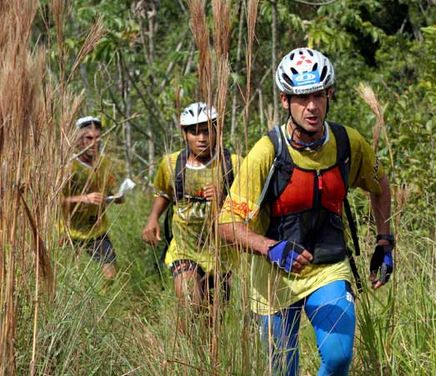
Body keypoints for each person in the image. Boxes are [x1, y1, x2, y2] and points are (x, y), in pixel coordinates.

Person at [219, 48, 393, 375]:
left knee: (338, 357)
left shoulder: (347, 143)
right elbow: (226, 224)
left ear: (329, 95)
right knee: (285, 370)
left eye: (318, 95)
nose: (311, 107)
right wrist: (271, 248)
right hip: (273, 280)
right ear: (285, 101)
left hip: (327, 268)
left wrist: (385, 242)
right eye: (301, 98)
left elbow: (380, 184)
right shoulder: (267, 152)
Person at [142, 102, 238, 327]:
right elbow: (164, 192)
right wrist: (153, 218)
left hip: (221, 254)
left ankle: (203, 357)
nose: (201, 138)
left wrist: (224, 198)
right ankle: (181, 353)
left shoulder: (232, 164)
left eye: (207, 131)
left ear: (217, 131)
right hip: (184, 248)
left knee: (213, 319)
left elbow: (248, 206)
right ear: (184, 134)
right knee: (191, 301)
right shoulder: (172, 163)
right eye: (194, 132)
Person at [61, 116, 122, 279]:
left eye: (97, 138)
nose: (94, 143)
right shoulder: (68, 166)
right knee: (68, 277)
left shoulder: (104, 164)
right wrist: (83, 199)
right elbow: (53, 201)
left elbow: (109, 189)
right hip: (69, 232)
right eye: (88, 138)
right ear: (78, 140)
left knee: (111, 276)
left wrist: (117, 197)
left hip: (96, 230)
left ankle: (105, 303)